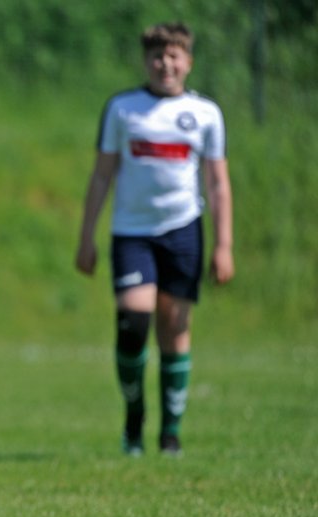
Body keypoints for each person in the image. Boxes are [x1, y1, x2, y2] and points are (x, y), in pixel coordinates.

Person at [74, 22, 234, 456]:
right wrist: (86, 237)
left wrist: (223, 245)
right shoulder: (123, 109)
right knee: (133, 323)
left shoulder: (205, 114)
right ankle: (134, 422)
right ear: (146, 61)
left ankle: (170, 435)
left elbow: (217, 182)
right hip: (132, 233)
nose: (166, 64)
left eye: (174, 56)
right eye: (157, 56)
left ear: (188, 62)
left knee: (174, 328)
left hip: (183, 230)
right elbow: (102, 174)